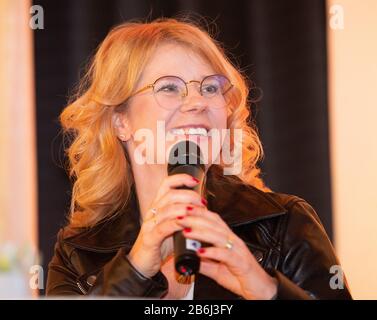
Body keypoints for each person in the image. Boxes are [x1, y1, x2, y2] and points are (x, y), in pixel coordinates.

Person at [46, 18, 352, 299]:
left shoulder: (286, 225)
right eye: (169, 87)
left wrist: (266, 289)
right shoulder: (77, 252)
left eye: (210, 87)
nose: (197, 102)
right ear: (120, 121)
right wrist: (136, 269)